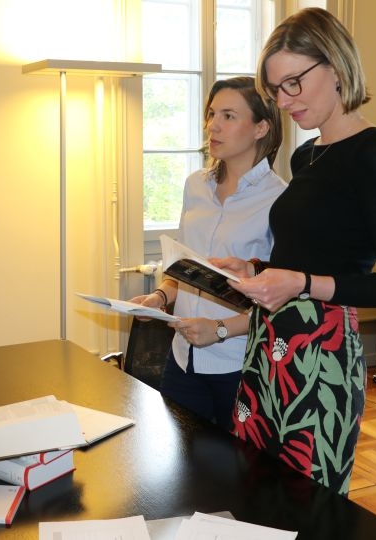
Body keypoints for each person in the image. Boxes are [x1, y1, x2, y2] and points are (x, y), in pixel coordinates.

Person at [211, 7, 376, 495]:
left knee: (308, 502)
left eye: (293, 84)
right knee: (254, 489)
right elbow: (308, 253)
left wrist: (301, 283)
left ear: (336, 65)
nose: (283, 102)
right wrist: (257, 268)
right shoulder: (307, 155)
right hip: (268, 343)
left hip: (321, 357)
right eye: (275, 90)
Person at [130, 77, 286, 431]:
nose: (213, 125)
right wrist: (159, 297)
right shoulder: (195, 185)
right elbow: (184, 270)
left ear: (262, 127)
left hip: (239, 364)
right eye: (212, 113)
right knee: (178, 469)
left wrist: (219, 330)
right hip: (183, 358)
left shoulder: (280, 200)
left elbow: (282, 303)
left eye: (229, 116)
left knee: (234, 476)